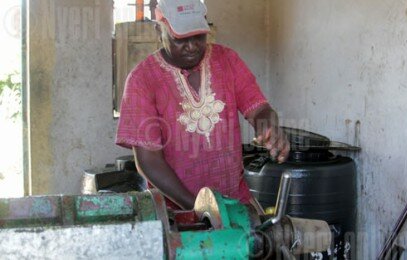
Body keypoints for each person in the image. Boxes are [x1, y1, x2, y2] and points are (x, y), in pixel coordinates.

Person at [116, 0, 290, 210]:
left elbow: (260, 109)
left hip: (235, 202)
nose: (192, 46)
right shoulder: (141, 80)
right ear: (158, 30)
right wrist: (199, 209)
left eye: (198, 35)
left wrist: (269, 127)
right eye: (180, 38)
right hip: (177, 213)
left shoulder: (227, 60)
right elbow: (149, 161)